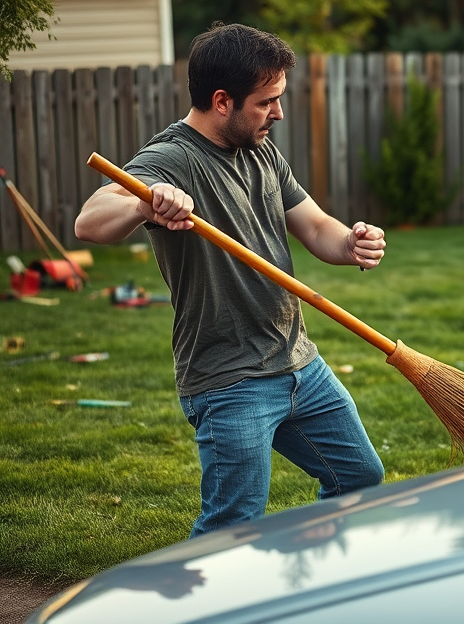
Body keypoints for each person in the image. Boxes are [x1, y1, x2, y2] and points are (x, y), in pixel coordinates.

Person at [75, 22, 385, 537]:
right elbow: (90, 220)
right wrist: (142, 201)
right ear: (222, 101)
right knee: (231, 527)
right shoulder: (174, 158)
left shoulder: (261, 149)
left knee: (359, 476)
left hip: (298, 364)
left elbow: (315, 226)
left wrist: (351, 244)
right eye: (267, 102)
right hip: (230, 380)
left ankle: (297, 579)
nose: (278, 113)